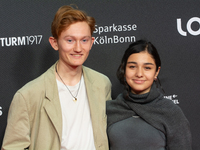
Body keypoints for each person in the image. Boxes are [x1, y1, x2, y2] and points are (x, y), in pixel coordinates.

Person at [2, 5, 111, 150]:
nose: (78, 48)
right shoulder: (27, 96)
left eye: (84, 40)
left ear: (91, 42)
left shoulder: (102, 84)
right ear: (55, 43)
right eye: (70, 40)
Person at [106, 40, 192, 150]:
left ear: (156, 72)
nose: (139, 74)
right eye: (132, 66)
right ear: (124, 68)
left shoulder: (171, 113)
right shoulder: (110, 110)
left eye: (147, 68)